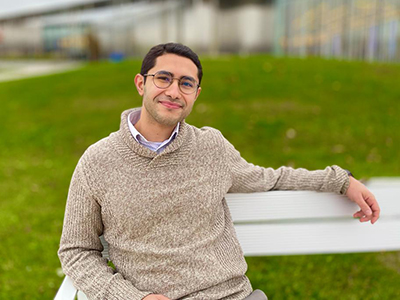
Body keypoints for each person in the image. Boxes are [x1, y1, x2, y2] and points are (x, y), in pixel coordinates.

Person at [58, 43, 380, 300]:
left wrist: (340, 181)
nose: (173, 91)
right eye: (163, 78)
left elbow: (271, 179)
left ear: (195, 95)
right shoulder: (97, 162)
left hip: (231, 296)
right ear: (141, 83)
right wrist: (133, 298)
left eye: (186, 84)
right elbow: (76, 251)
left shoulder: (211, 147)